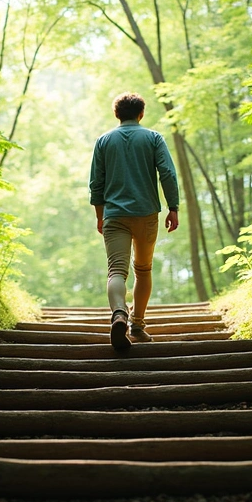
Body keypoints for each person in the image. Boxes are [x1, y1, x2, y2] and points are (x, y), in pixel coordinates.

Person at [88, 92, 180, 350]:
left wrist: (100, 215)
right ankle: (138, 325)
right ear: (141, 114)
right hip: (146, 214)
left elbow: (96, 183)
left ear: (116, 114)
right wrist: (173, 207)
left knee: (117, 270)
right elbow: (168, 174)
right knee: (143, 269)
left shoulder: (103, 141)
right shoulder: (153, 138)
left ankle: (119, 314)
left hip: (115, 215)